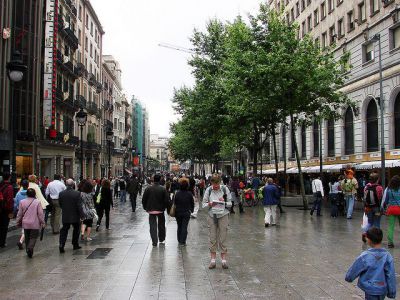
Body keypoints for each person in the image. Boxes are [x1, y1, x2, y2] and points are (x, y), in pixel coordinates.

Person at [345, 227, 396, 300]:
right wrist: (392, 292)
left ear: (368, 240)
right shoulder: (388, 256)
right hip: (382, 288)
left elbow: (353, 270)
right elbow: (391, 275)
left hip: (370, 288)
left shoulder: (365, 256)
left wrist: (349, 278)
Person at [202, 174, 232, 269]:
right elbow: (203, 204)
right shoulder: (208, 190)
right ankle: (213, 260)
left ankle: (223, 261)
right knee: (212, 237)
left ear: (220, 182)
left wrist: (224, 202)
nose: (215, 186)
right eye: (214, 184)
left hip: (223, 215)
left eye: (217, 184)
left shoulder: (224, 189)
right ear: (211, 183)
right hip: (212, 215)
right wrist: (209, 204)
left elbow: (230, 204)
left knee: (223, 236)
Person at [15, 188, 45, 258]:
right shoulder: (37, 202)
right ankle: (30, 248)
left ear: (27, 194)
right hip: (35, 223)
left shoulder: (22, 202)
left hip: (25, 223)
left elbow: (19, 214)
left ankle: (28, 251)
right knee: (33, 237)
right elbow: (40, 214)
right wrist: (42, 222)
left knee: (27, 237)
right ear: (34, 194)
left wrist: (17, 222)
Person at [142, 174, 170, 247]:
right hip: (160, 210)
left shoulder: (148, 188)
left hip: (151, 210)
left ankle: (154, 241)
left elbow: (144, 199)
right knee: (161, 225)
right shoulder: (163, 189)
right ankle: (161, 238)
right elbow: (167, 200)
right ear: (160, 179)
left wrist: (145, 207)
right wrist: (167, 208)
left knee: (152, 226)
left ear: (153, 179)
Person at [58, 179, 83, 253]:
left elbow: (60, 204)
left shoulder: (61, 193)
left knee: (64, 229)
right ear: (73, 185)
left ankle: (61, 244)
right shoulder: (77, 193)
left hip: (66, 215)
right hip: (75, 215)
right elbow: (79, 206)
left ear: (66, 184)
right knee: (76, 229)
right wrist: (82, 215)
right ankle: (75, 244)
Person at [362, 172, 384, 243]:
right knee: (377, 223)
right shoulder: (379, 187)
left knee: (370, 222)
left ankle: (365, 233)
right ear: (377, 179)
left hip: (368, 208)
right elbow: (381, 197)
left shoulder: (366, 187)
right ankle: (377, 239)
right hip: (376, 208)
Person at [173, 178, 194, 246]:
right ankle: (183, 241)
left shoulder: (177, 193)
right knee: (184, 226)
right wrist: (192, 210)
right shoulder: (189, 194)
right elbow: (192, 203)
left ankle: (179, 239)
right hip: (186, 212)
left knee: (179, 226)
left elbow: (175, 203)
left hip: (178, 212)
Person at [381, 175, 400, 248]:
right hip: (399, 208)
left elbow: (386, 201)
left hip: (391, 209)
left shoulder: (389, 190)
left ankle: (390, 242)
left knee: (391, 226)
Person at [0, 173, 15, 248]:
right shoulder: (9, 187)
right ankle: (2, 242)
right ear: (9, 177)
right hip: (5, 210)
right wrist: (11, 210)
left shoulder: (1, 185)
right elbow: (9, 200)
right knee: (4, 226)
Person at [14, 180, 29, 250]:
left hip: (21, 212)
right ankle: (21, 241)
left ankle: (22, 240)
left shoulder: (18, 194)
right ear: (28, 185)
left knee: (24, 226)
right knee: (26, 228)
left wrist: (15, 211)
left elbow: (16, 204)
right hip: (29, 212)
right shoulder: (30, 193)